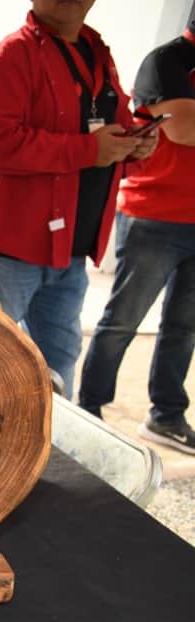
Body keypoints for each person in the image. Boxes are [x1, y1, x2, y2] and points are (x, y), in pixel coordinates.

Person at [0, 0, 155, 399]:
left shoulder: (98, 55)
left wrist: (132, 147)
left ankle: (49, 458)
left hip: (68, 251)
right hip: (6, 248)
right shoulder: (6, 58)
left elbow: (104, 134)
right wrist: (87, 151)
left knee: (57, 371)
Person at [79, 20, 195, 453]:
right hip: (154, 217)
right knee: (121, 323)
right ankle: (89, 411)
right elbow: (183, 129)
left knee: (184, 328)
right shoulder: (168, 61)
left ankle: (165, 415)